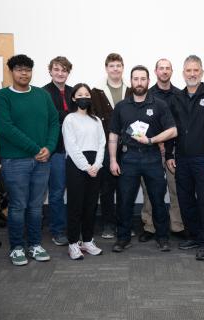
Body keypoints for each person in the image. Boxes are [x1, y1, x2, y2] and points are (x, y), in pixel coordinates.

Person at [0, 54, 59, 266]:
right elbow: (6, 128)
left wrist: (49, 147)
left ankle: (35, 244)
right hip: (15, 161)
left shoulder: (42, 95)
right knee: (18, 206)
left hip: (42, 160)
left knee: (37, 206)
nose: (24, 73)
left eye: (27, 69)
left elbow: (54, 122)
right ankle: (17, 247)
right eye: (19, 69)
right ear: (11, 72)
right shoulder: (2, 96)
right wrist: (35, 148)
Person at [109, 65, 177, 253]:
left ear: (148, 81)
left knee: (157, 200)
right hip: (128, 158)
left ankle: (162, 237)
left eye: (143, 79)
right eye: (136, 79)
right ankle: (123, 238)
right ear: (130, 81)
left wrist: (151, 140)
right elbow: (113, 134)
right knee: (124, 201)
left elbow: (173, 130)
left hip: (152, 157)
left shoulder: (159, 104)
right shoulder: (121, 106)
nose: (139, 82)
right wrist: (113, 160)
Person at [165, 55, 204, 261]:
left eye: (195, 70)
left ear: (201, 72)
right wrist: (169, 154)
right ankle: (194, 235)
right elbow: (171, 129)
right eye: (188, 70)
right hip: (181, 159)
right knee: (185, 200)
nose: (192, 74)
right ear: (183, 73)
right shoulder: (176, 97)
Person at [138, 58, 186, 243]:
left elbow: (180, 124)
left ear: (172, 72)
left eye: (168, 68)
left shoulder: (180, 95)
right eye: (161, 68)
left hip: (175, 150)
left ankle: (177, 225)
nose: (164, 71)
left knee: (176, 188)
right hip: (151, 150)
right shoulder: (146, 94)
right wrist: (155, 141)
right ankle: (149, 226)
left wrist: (168, 146)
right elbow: (139, 123)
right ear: (155, 72)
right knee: (150, 191)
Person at [62, 83, 106, 260]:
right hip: (76, 166)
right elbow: (71, 146)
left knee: (90, 205)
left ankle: (87, 240)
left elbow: (101, 143)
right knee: (75, 205)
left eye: (86, 94)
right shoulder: (70, 119)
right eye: (79, 95)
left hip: (95, 167)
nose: (83, 97)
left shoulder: (96, 120)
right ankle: (73, 243)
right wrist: (86, 167)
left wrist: (96, 165)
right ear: (73, 98)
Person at [91, 53, 132, 239]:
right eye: (112, 66)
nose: (115, 69)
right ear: (106, 68)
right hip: (107, 146)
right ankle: (108, 224)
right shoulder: (96, 91)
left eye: (118, 65)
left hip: (129, 146)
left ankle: (125, 224)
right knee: (107, 188)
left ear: (123, 67)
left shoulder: (131, 90)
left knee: (126, 187)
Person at [42, 56, 73, 246]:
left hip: (75, 149)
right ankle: (58, 230)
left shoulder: (74, 92)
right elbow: (49, 120)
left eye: (64, 70)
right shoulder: (43, 93)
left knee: (75, 191)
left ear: (68, 72)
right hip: (56, 150)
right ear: (50, 71)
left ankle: (74, 227)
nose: (60, 73)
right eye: (56, 69)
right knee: (57, 192)